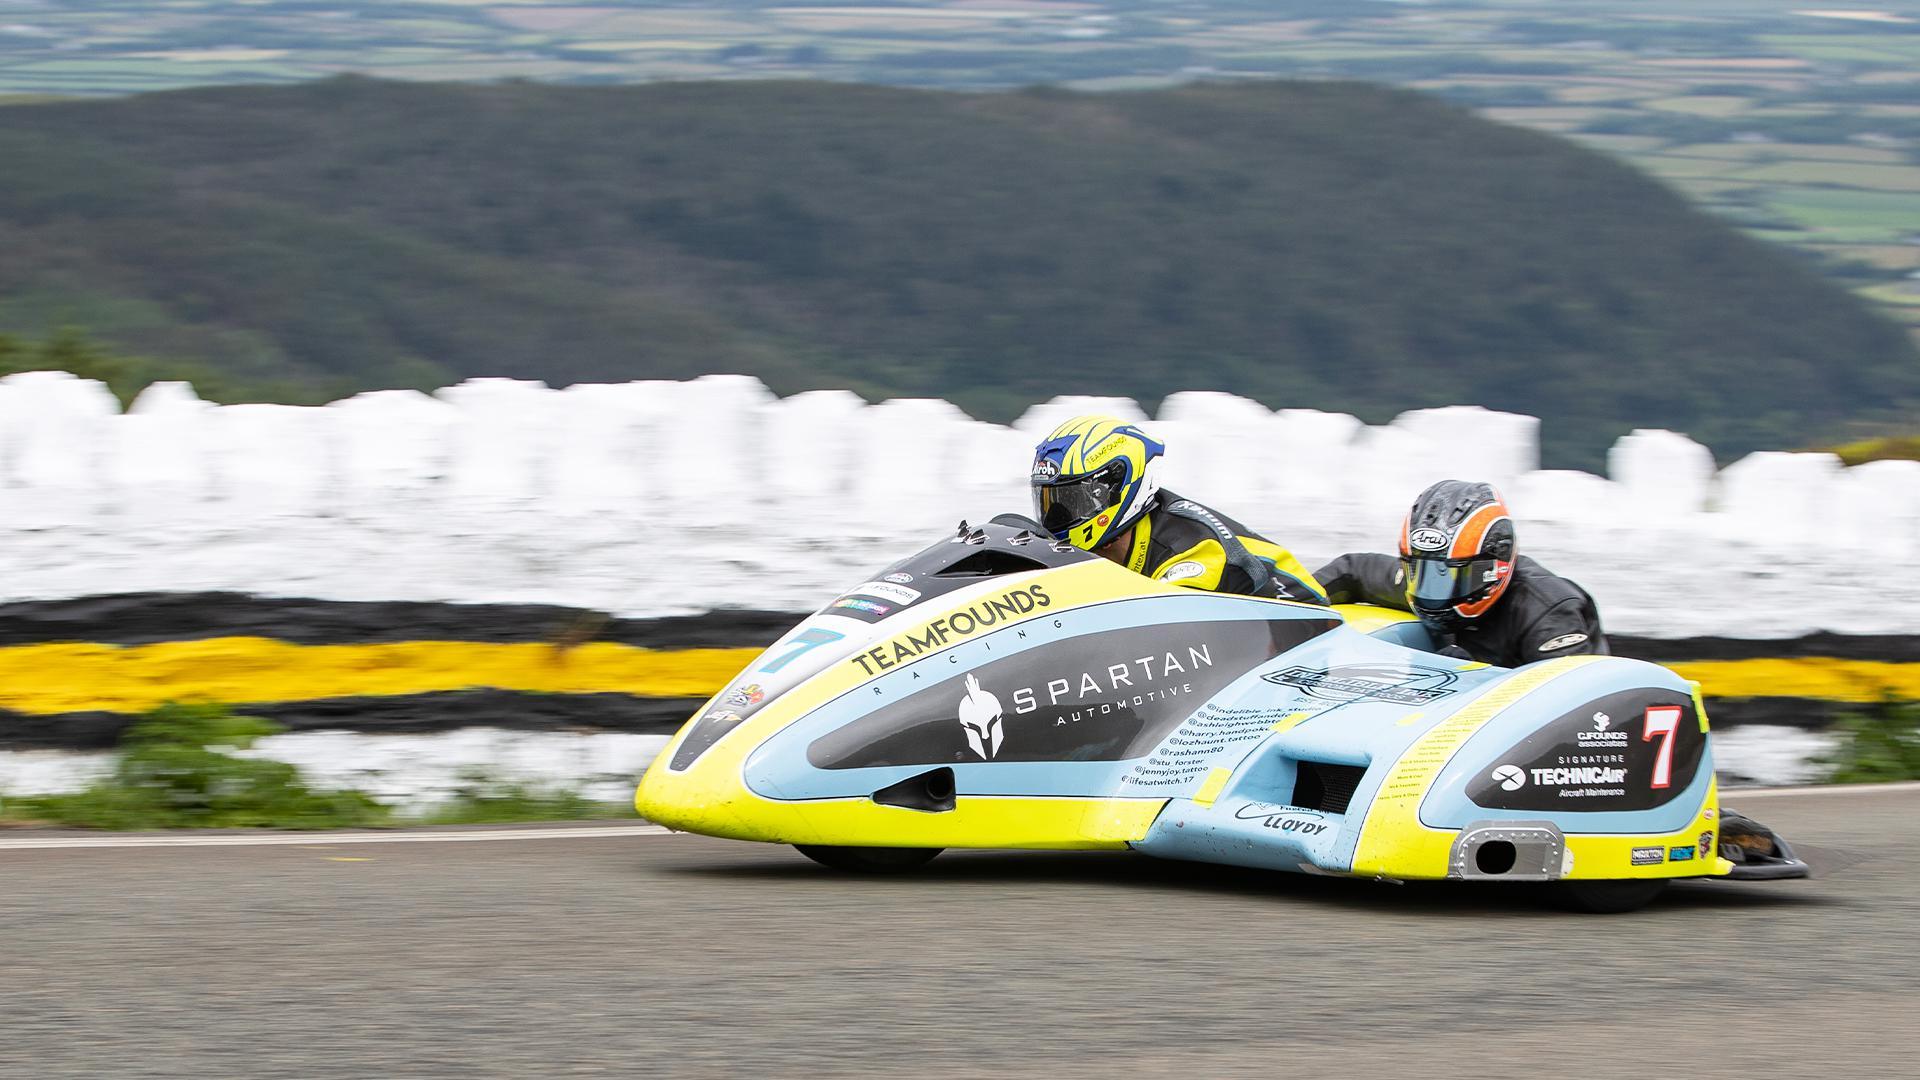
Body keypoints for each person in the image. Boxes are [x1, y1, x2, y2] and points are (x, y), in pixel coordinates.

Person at [1029, 414, 1326, 603]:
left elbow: (1153, 632)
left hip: (1303, 623)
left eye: (1070, 502)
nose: (1056, 519)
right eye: (1049, 502)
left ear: (1114, 489)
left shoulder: (1192, 550)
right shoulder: (1112, 542)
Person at [1315, 479, 1605, 666]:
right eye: (1419, 569)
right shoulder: (1422, 582)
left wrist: (1476, 680)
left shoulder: (1547, 613)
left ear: (1492, 570)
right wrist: (1290, 604)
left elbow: (1565, 704)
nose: (1430, 587)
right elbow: (1351, 570)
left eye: (1446, 575)